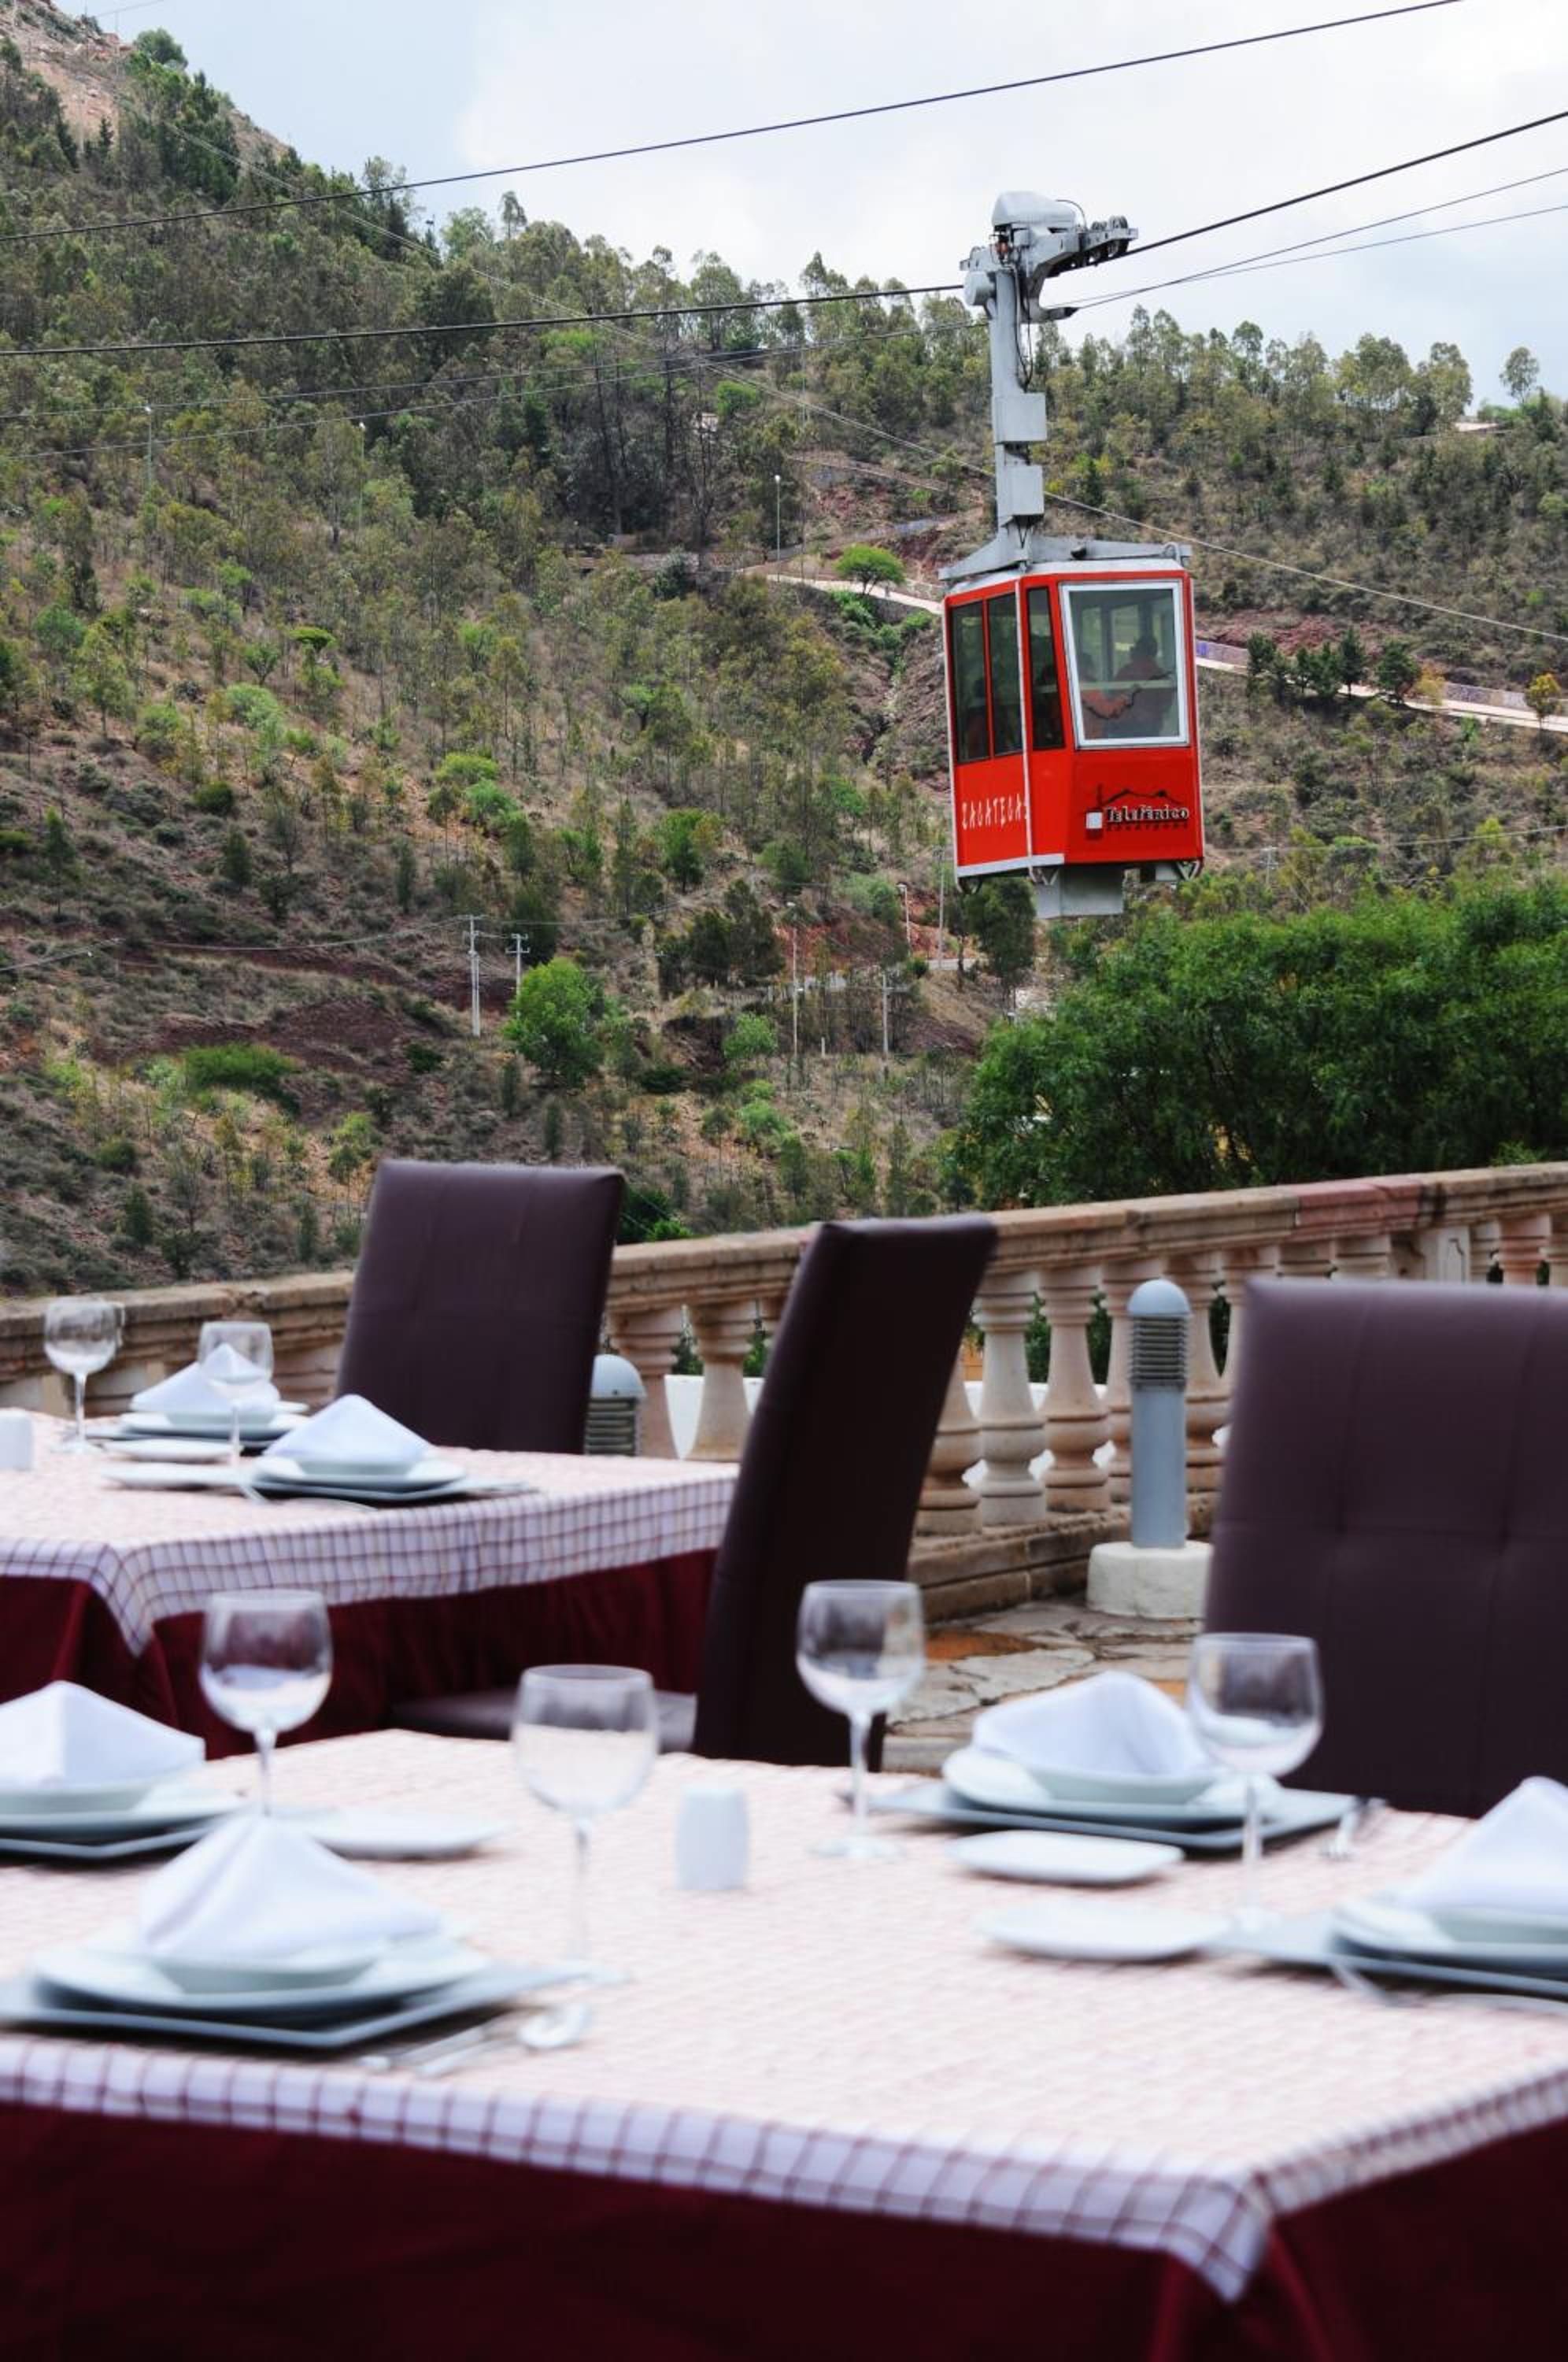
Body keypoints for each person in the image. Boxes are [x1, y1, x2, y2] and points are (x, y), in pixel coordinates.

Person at [1082, 628, 1174, 739]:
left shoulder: (1126, 671)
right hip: (1151, 727)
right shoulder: (1160, 675)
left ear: (1139, 650)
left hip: (1125, 726)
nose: (1131, 651)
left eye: (1134, 648)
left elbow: (1113, 696)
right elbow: (1165, 705)